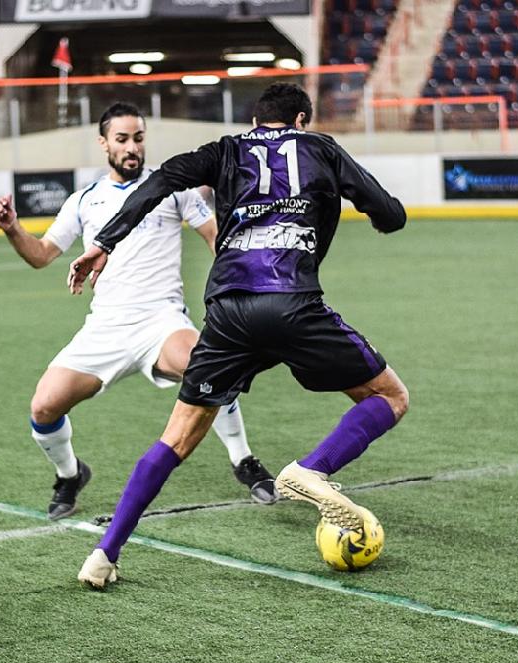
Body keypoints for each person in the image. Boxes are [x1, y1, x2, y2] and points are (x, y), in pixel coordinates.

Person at [69, 83, 409, 588]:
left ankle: (104, 554)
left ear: (255, 120)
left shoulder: (225, 149)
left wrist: (104, 243)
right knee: (390, 396)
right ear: (300, 120)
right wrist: (376, 216)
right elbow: (391, 214)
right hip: (293, 302)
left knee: (178, 436)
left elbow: (160, 181)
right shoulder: (320, 148)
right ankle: (312, 470)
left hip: (228, 311)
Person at [0, 101, 279, 521]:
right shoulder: (84, 201)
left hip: (161, 322)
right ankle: (70, 475)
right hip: (105, 329)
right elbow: (41, 255)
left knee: (211, 368)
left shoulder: (173, 189)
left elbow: (216, 239)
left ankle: (244, 461)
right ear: (103, 143)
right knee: (43, 408)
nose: (131, 148)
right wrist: (13, 228)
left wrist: (243, 282)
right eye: (122, 139)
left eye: (138, 138)